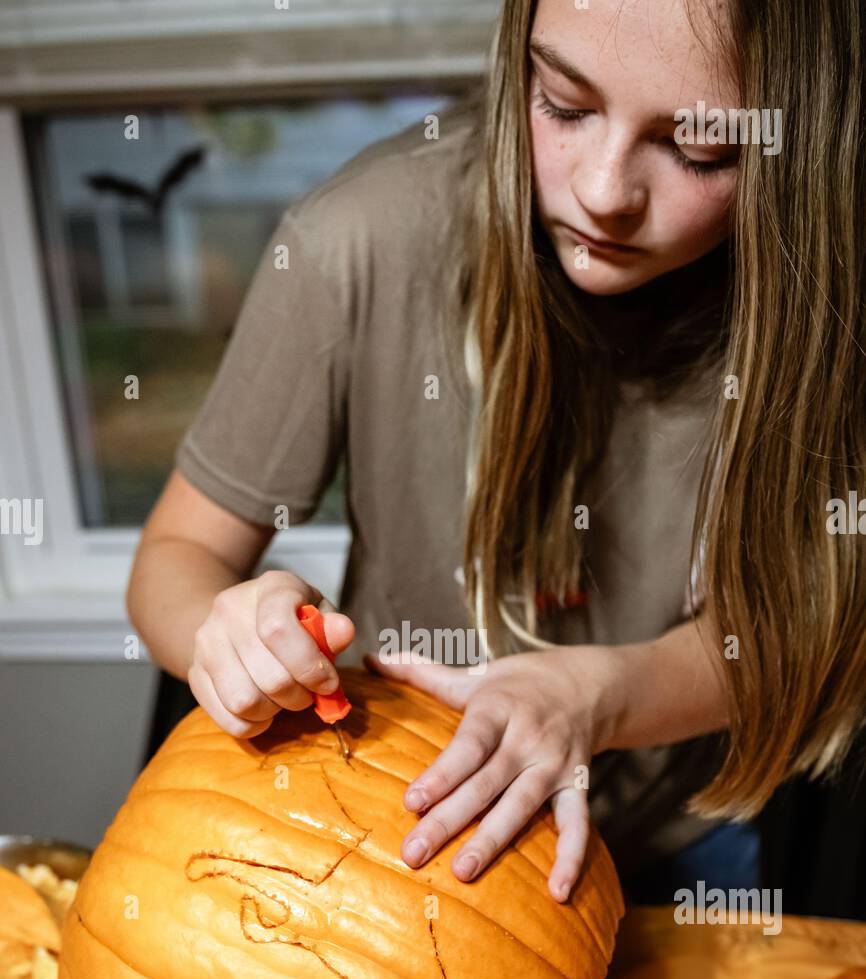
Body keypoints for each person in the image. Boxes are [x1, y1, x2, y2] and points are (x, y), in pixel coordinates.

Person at [127, 0, 864, 906]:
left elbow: (797, 629)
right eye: (563, 104)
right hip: (405, 818)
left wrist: (600, 696)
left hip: (681, 841)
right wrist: (232, 631)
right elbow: (176, 557)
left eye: (698, 150)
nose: (604, 191)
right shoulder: (351, 241)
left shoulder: (827, 305)